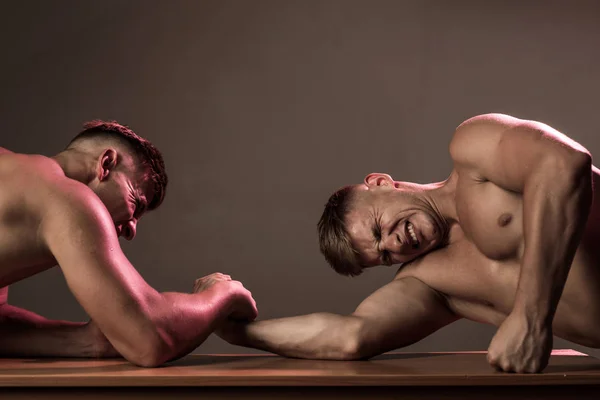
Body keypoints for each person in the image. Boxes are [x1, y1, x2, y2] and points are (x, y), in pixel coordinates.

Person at [216, 113, 599, 373]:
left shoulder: (472, 154)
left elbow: (563, 163)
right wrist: (239, 333)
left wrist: (531, 319)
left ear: (381, 183)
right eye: (383, 256)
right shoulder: (433, 280)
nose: (394, 244)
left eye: (378, 228)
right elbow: (352, 336)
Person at [0, 121, 257, 367]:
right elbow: (149, 341)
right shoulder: (66, 199)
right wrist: (223, 295)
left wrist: (84, 341)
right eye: (137, 203)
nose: (132, 229)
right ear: (106, 164)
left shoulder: (18, 179)